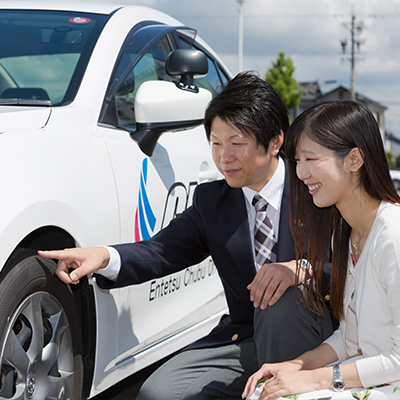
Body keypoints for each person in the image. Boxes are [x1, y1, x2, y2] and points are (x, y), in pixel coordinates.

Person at [39, 72, 333, 400]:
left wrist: (302, 269)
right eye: (216, 144)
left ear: (276, 141)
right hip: (246, 339)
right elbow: (163, 251)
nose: (224, 157)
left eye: (237, 144)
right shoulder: (214, 201)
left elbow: (359, 266)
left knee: (282, 303)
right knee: (159, 393)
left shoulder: (315, 191)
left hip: (313, 339)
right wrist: (104, 257)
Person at [242, 101, 400, 400]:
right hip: (367, 374)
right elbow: (349, 338)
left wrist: (316, 380)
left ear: (354, 159)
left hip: (389, 382)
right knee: (267, 390)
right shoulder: (346, 234)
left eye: (311, 159)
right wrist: (294, 366)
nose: (301, 172)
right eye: (297, 160)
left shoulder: (392, 233)